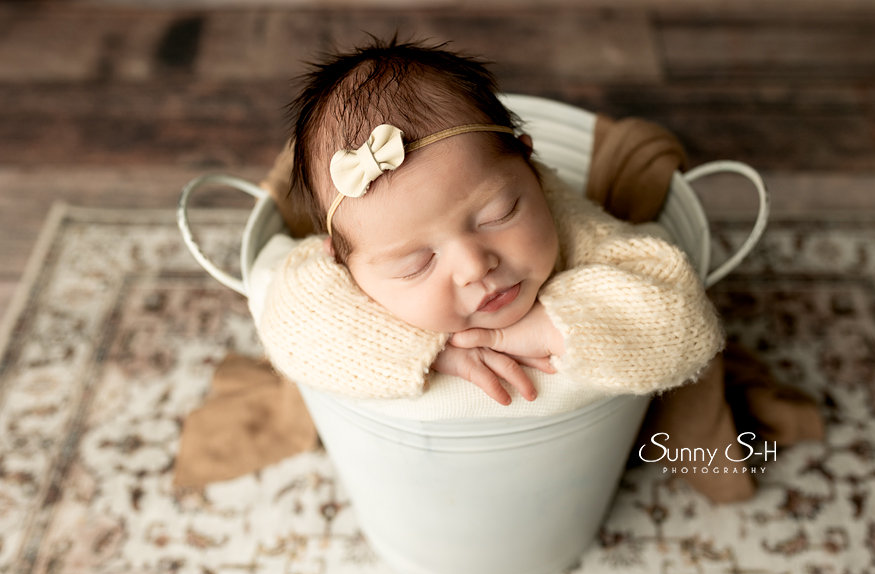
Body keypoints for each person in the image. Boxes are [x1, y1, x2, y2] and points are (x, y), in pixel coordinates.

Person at [257, 36, 724, 409]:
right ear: (342, 262)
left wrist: (553, 326)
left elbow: (682, 318)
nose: (474, 267)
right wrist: (430, 351)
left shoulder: (567, 223)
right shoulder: (330, 274)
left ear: (530, 164)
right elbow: (287, 323)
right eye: (416, 264)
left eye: (499, 214)